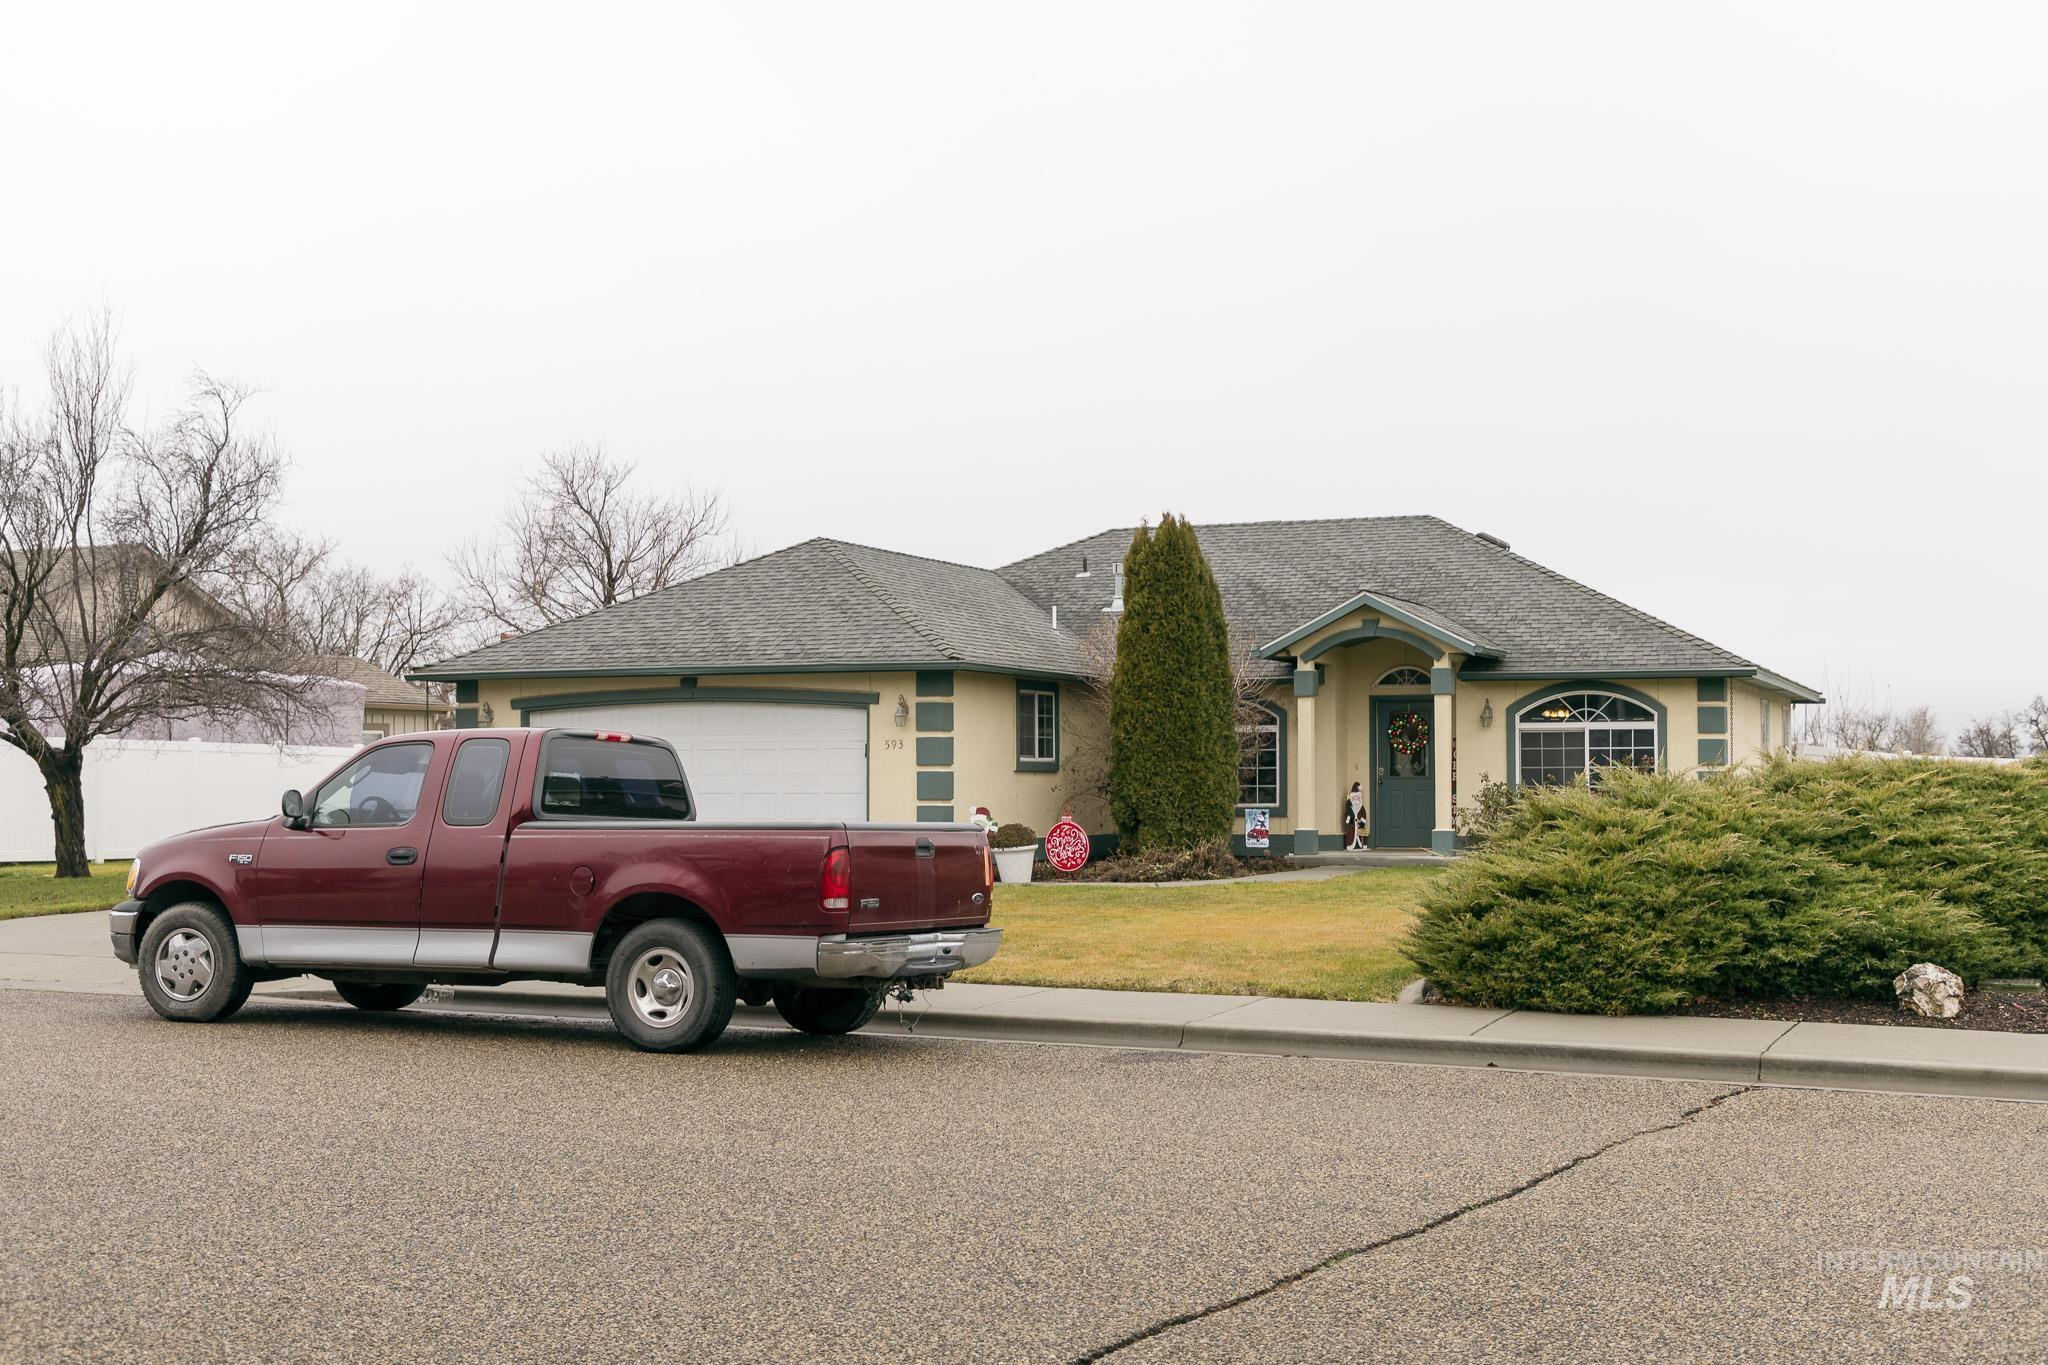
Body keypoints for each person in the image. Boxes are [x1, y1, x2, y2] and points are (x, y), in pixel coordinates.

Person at [1343, 782, 1367, 849]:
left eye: (1357, 799)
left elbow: (1363, 822)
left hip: (1359, 827)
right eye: (1354, 799)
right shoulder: (1349, 809)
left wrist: (1361, 823)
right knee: (1351, 831)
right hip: (1352, 828)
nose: (1356, 801)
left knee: (1361, 831)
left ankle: (1361, 845)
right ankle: (1351, 845)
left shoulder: (1362, 809)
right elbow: (1347, 820)